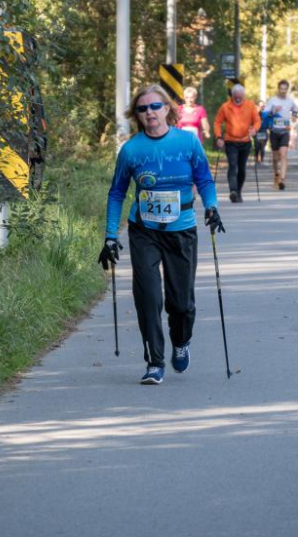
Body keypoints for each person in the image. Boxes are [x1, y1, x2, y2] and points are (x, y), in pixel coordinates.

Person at [98, 84, 224, 385]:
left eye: (155, 106)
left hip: (181, 230)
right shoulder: (131, 150)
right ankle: (154, 362)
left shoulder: (187, 143)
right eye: (142, 109)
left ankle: (181, 341)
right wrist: (110, 236)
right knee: (148, 297)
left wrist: (212, 207)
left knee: (181, 304)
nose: (149, 113)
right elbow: (116, 193)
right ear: (137, 115)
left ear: (168, 108)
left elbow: (204, 179)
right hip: (144, 231)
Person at [213, 83, 261, 202]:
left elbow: (257, 120)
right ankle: (233, 191)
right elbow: (217, 122)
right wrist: (219, 137)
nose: (238, 99)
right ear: (232, 96)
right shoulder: (225, 107)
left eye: (240, 97)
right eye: (236, 97)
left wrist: (254, 129)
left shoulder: (250, 105)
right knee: (233, 165)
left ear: (243, 96)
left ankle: (238, 191)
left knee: (242, 168)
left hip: (245, 141)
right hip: (231, 141)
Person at [265, 80, 298, 190]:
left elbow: (295, 109)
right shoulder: (272, 101)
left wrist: (294, 116)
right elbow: (265, 115)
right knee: (275, 158)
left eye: (285, 89)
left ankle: (282, 179)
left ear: (287, 90)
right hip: (274, 132)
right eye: (281, 89)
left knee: (283, 154)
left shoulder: (290, 101)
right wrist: (274, 111)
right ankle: (276, 174)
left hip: (285, 131)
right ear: (278, 89)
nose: (283, 91)